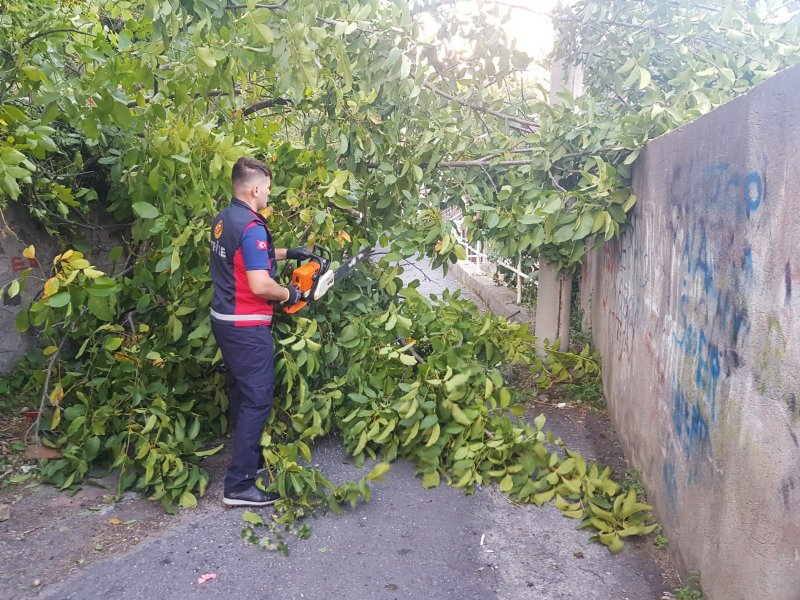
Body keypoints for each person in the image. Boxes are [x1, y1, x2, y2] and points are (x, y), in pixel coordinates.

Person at [209, 156, 310, 507]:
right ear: (255, 189)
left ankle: (242, 456)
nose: (269, 194)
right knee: (258, 400)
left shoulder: (225, 219)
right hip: (246, 327)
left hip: (224, 321)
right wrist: (290, 293)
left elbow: (249, 257)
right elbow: (259, 283)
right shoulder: (252, 227)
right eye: (267, 188)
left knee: (241, 393)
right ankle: (239, 485)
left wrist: (288, 253)